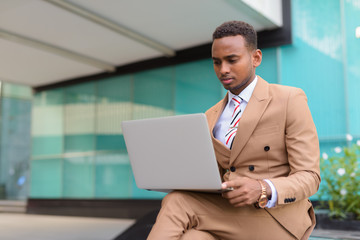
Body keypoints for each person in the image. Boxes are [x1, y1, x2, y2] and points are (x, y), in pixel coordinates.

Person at [147, 21, 320, 240]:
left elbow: (310, 177)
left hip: (276, 218)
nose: (223, 70)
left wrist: (262, 188)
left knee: (177, 201)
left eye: (232, 60)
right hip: (228, 211)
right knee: (192, 237)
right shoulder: (210, 116)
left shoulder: (289, 99)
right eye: (216, 62)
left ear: (256, 57)